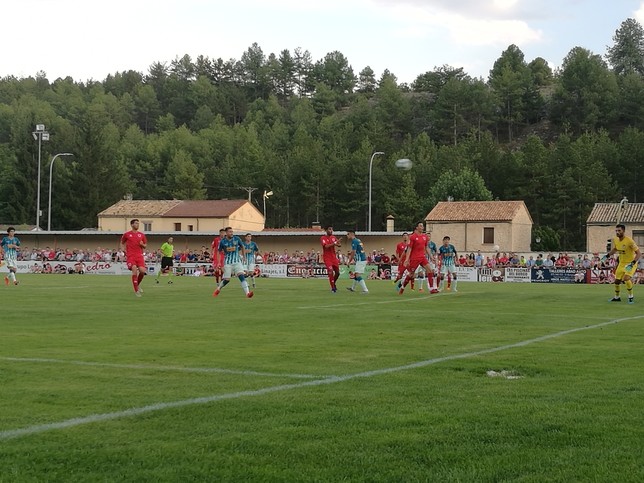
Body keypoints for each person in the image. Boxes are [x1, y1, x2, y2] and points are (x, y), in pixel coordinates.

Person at [212, 226, 254, 298]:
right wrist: (219, 262)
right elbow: (218, 252)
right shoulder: (222, 241)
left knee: (241, 276)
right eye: (230, 232)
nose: (231, 233)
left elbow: (243, 247)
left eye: (232, 232)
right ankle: (218, 289)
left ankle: (247, 293)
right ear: (226, 233)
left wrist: (244, 257)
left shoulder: (237, 239)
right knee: (227, 280)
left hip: (237, 261)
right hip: (228, 263)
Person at [604, 224, 641, 304]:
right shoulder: (616, 240)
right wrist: (606, 256)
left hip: (630, 263)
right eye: (616, 231)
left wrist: (632, 263)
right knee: (617, 281)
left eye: (619, 230)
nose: (617, 232)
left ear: (623, 231)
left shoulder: (629, 241)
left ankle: (631, 297)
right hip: (621, 263)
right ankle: (617, 297)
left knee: (626, 278)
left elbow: (638, 254)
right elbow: (615, 249)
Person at [398, 222, 435, 295]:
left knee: (430, 270)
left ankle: (431, 289)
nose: (422, 227)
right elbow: (409, 248)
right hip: (414, 258)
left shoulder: (425, 237)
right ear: (417, 228)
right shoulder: (412, 237)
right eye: (420, 226)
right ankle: (402, 287)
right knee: (411, 275)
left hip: (422, 257)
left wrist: (431, 257)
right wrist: (406, 259)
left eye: (422, 226)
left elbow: (426, 247)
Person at [120, 219, 148, 297]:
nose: (137, 225)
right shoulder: (127, 234)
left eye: (138, 224)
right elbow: (122, 243)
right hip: (131, 256)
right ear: (132, 225)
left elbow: (145, 245)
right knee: (134, 270)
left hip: (139, 255)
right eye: (136, 223)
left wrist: (142, 244)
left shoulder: (141, 235)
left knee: (142, 271)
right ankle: (136, 291)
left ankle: (137, 285)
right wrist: (123, 250)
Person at [320, 225, 341, 293]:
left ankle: (333, 283)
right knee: (331, 271)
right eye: (329, 229)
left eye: (332, 229)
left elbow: (339, 245)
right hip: (327, 258)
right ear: (326, 230)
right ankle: (333, 288)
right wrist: (334, 243)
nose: (331, 230)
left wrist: (337, 243)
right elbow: (326, 246)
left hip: (334, 257)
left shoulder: (333, 237)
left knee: (337, 273)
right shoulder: (323, 238)